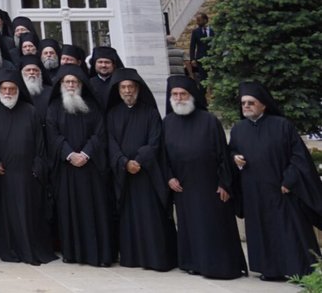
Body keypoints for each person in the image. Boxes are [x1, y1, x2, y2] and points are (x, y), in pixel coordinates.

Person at [229, 81, 322, 280]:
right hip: (254, 192)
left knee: (289, 232)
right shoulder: (238, 129)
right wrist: (235, 158)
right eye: (243, 103)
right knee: (263, 232)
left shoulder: (282, 126)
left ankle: (298, 270)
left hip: (282, 191)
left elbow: (299, 158)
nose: (246, 106)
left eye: (251, 102)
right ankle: (269, 270)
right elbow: (232, 151)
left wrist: (289, 181)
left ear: (263, 104)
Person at [161, 74, 245, 279]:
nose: (179, 98)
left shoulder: (209, 120)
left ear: (192, 96)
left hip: (210, 185)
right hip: (183, 186)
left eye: (183, 94)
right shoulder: (167, 122)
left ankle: (221, 265)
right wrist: (169, 177)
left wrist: (225, 183)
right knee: (190, 226)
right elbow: (161, 155)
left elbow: (223, 154)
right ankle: (193, 263)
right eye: (175, 94)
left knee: (214, 226)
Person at [104, 69, 176, 272]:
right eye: (123, 87)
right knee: (129, 219)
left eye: (130, 87)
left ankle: (155, 258)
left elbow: (155, 141)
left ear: (137, 89)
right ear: (118, 90)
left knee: (151, 218)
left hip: (147, 175)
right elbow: (110, 142)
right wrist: (123, 162)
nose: (127, 91)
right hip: (124, 175)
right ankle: (132, 257)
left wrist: (139, 160)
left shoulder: (150, 113)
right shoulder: (112, 114)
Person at [0, 72, 55, 265]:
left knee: (28, 214)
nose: (7, 92)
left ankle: (30, 248)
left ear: (18, 90)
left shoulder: (30, 111)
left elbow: (40, 144)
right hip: (3, 175)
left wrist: (36, 166)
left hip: (27, 175)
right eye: (4, 89)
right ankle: (10, 249)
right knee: (5, 216)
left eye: (12, 89)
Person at [45, 66, 114, 266]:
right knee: (70, 212)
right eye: (67, 82)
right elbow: (52, 134)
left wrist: (85, 154)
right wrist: (69, 154)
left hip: (91, 169)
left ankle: (98, 254)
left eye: (75, 82)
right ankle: (73, 253)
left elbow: (100, 133)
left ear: (81, 84)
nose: (71, 85)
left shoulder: (92, 105)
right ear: (61, 85)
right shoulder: (54, 107)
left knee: (95, 211)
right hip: (67, 170)